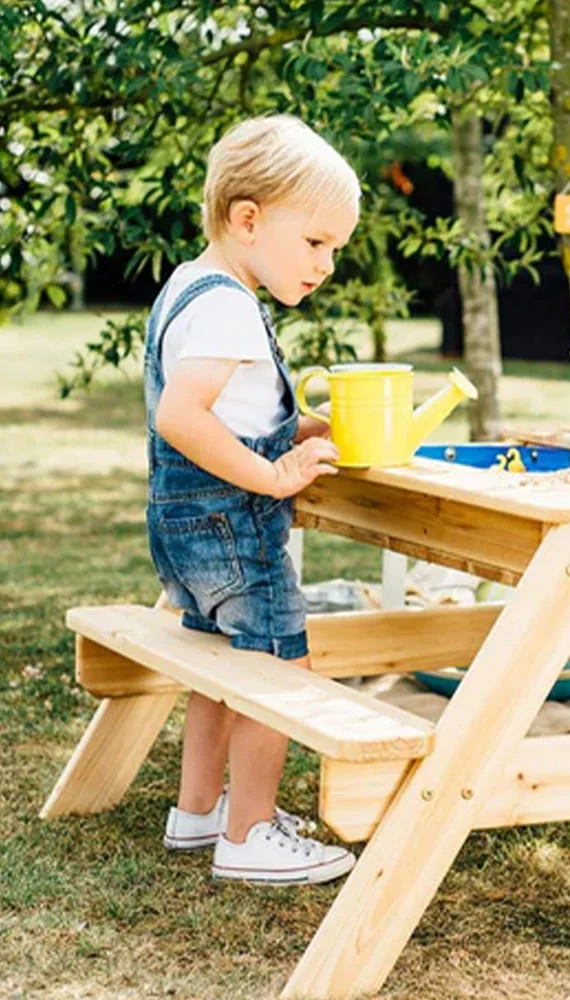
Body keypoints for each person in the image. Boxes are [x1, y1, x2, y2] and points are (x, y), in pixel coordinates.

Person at [146, 115, 360, 884]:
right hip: (232, 523)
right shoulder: (229, 305)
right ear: (248, 220)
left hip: (184, 524)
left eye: (335, 248)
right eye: (315, 242)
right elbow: (182, 415)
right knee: (278, 660)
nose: (327, 263)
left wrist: (298, 428)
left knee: (218, 665)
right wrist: (273, 478)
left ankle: (199, 813)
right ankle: (250, 835)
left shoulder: (190, 288)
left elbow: (227, 411)